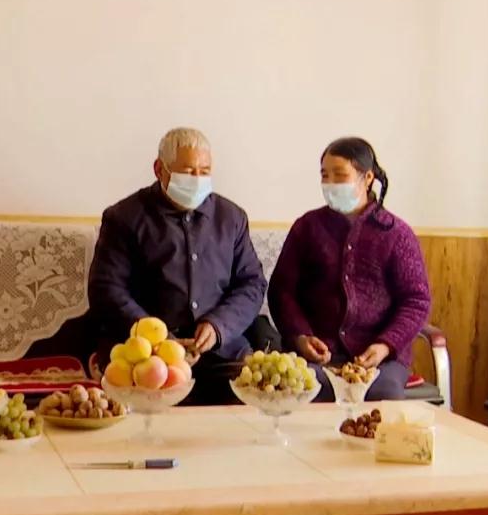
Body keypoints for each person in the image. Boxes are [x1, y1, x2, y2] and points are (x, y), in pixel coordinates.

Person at [88, 127, 267, 404]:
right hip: (145, 357)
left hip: (221, 354)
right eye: (188, 172)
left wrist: (218, 326)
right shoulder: (124, 218)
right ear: (160, 169)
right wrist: (159, 338)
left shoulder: (231, 218)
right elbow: (106, 289)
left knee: (253, 400)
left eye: (204, 172)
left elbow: (252, 283)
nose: (197, 180)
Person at [267, 137, 431, 401]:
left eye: (340, 175)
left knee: (381, 393)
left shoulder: (396, 234)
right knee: (302, 388)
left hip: (380, 360)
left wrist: (385, 345)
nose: (331, 183)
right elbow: (281, 291)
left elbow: (416, 300)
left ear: (367, 178)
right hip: (317, 357)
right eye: (325, 175)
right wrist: (301, 337)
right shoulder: (307, 227)